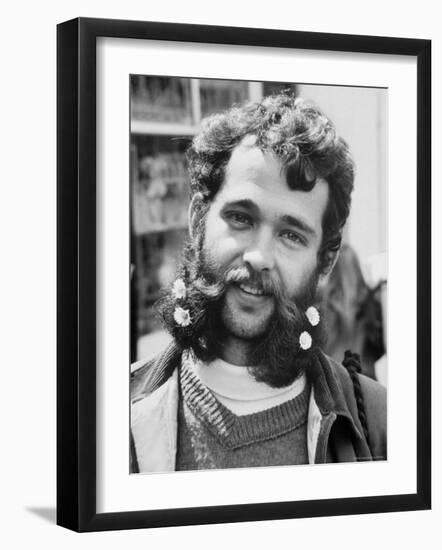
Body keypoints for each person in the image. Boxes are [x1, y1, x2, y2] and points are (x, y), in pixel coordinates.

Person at [130, 93, 387, 473]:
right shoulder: (106, 414)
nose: (259, 256)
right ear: (198, 218)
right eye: (241, 218)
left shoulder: (380, 427)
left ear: (326, 261)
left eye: (291, 235)